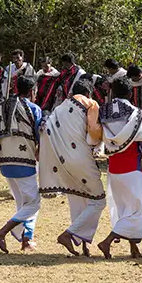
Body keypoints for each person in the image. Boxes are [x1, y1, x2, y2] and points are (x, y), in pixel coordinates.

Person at [38, 79, 105, 256]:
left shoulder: (59, 109)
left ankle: (84, 243)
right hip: (82, 159)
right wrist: (101, 139)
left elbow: (46, 131)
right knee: (98, 200)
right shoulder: (91, 104)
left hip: (62, 162)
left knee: (77, 201)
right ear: (89, 94)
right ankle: (69, 235)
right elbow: (93, 132)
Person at [0, 76, 42, 253]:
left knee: (22, 204)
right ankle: (2, 233)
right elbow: (39, 136)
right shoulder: (33, 109)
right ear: (32, 91)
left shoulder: (2, 107)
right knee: (33, 203)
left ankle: (27, 239)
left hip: (5, 161)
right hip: (24, 161)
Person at [97, 77, 142, 259]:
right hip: (132, 167)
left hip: (114, 168)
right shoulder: (136, 113)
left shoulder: (103, 111)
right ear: (130, 92)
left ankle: (134, 249)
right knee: (135, 210)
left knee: (124, 209)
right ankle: (107, 241)